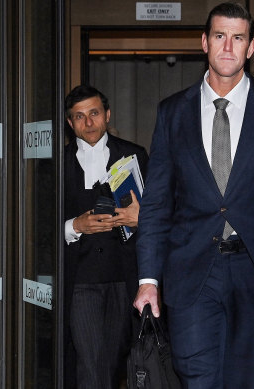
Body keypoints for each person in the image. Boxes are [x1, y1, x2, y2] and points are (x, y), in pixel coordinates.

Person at [132, 2, 254, 388]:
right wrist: (148, 278)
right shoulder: (173, 113)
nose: (228, 47)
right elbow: (156, 204)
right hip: (190, 272)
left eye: (238, 38)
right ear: (204, 41)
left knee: (247, 380)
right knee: (196, 376)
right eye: (220, 36)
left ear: (251, 47)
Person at [63, 85, 148, 388]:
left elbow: (160, 216)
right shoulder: (56, 163)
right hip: (80, 279)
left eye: (94, 113)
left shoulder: (134, 155)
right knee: (89, 360)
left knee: (112, 363)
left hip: (122, 276)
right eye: (79, 116)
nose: (88, 123)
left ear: (107, 115)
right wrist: (75, 226)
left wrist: (141, 218)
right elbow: (40, 226)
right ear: (70, 123)